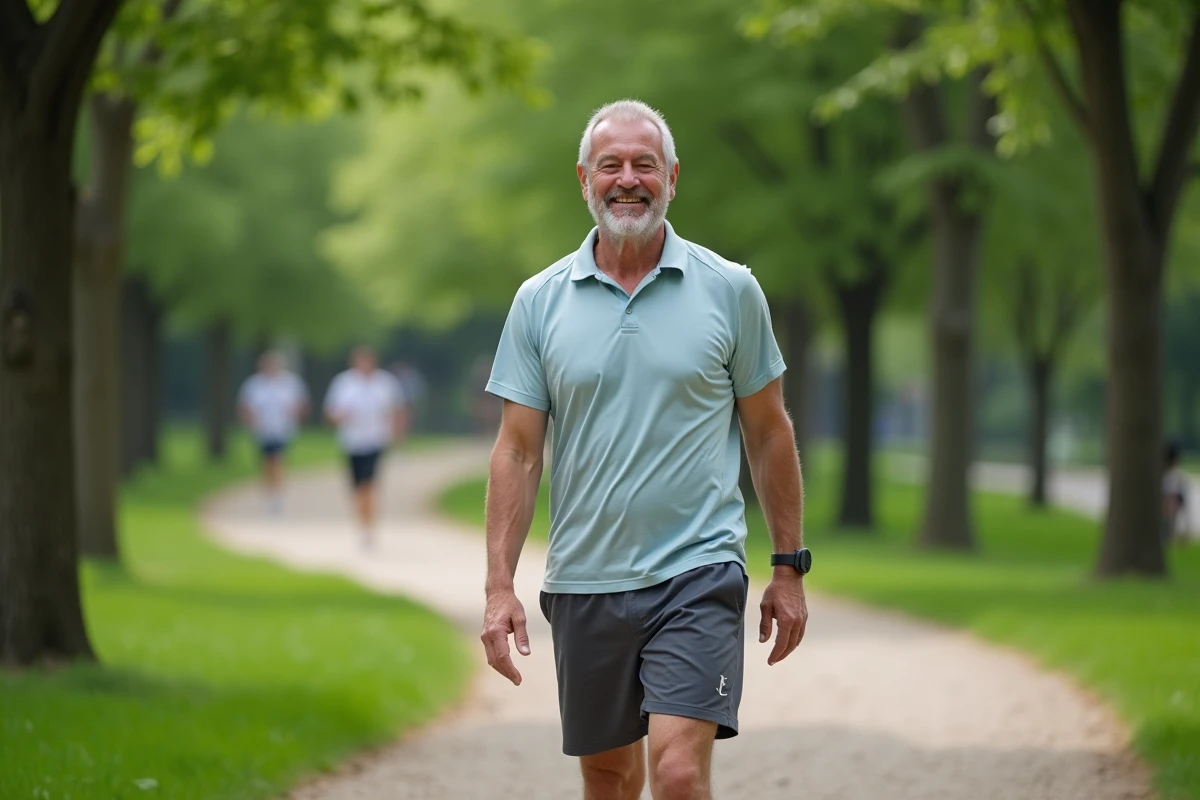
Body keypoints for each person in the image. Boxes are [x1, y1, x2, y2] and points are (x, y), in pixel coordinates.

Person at [479, 100, 809, 800]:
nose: (628, 180)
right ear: (584, 179)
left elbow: (769, 431)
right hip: (585, 579)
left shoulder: (730, 290)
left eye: (644, 165)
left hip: (698, 569)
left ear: (672, 178)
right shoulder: (540, 301)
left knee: (680, 772)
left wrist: (788, 566)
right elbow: (517, 452)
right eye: (611, 165)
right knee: (609, 778)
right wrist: (498, 586)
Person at [323, 346, 408, 548]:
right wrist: (340, 417)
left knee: (369, 484)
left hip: (375, 440)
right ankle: (362, 521)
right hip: (351, 441)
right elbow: (330, 412)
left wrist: (397, 433)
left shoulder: (385, 383)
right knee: (356, 486)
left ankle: (369, 526)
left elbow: (398, 409)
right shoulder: (343, 383)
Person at [236, 349, 310, 515]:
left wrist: (296, 413)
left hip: (283, 430)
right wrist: (249, 419)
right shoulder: (254, 384)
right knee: (266, 463)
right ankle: (270, 492)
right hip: (262, 430)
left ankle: (277, 495)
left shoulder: (290, 383)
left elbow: (302, 404)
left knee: (278, 460)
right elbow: (244, 406)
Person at [1163, 440, 1189, 546]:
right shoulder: (1177, 477)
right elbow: (1183, 501)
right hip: (1168, 513)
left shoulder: (1174, 476)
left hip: (1168, 514)